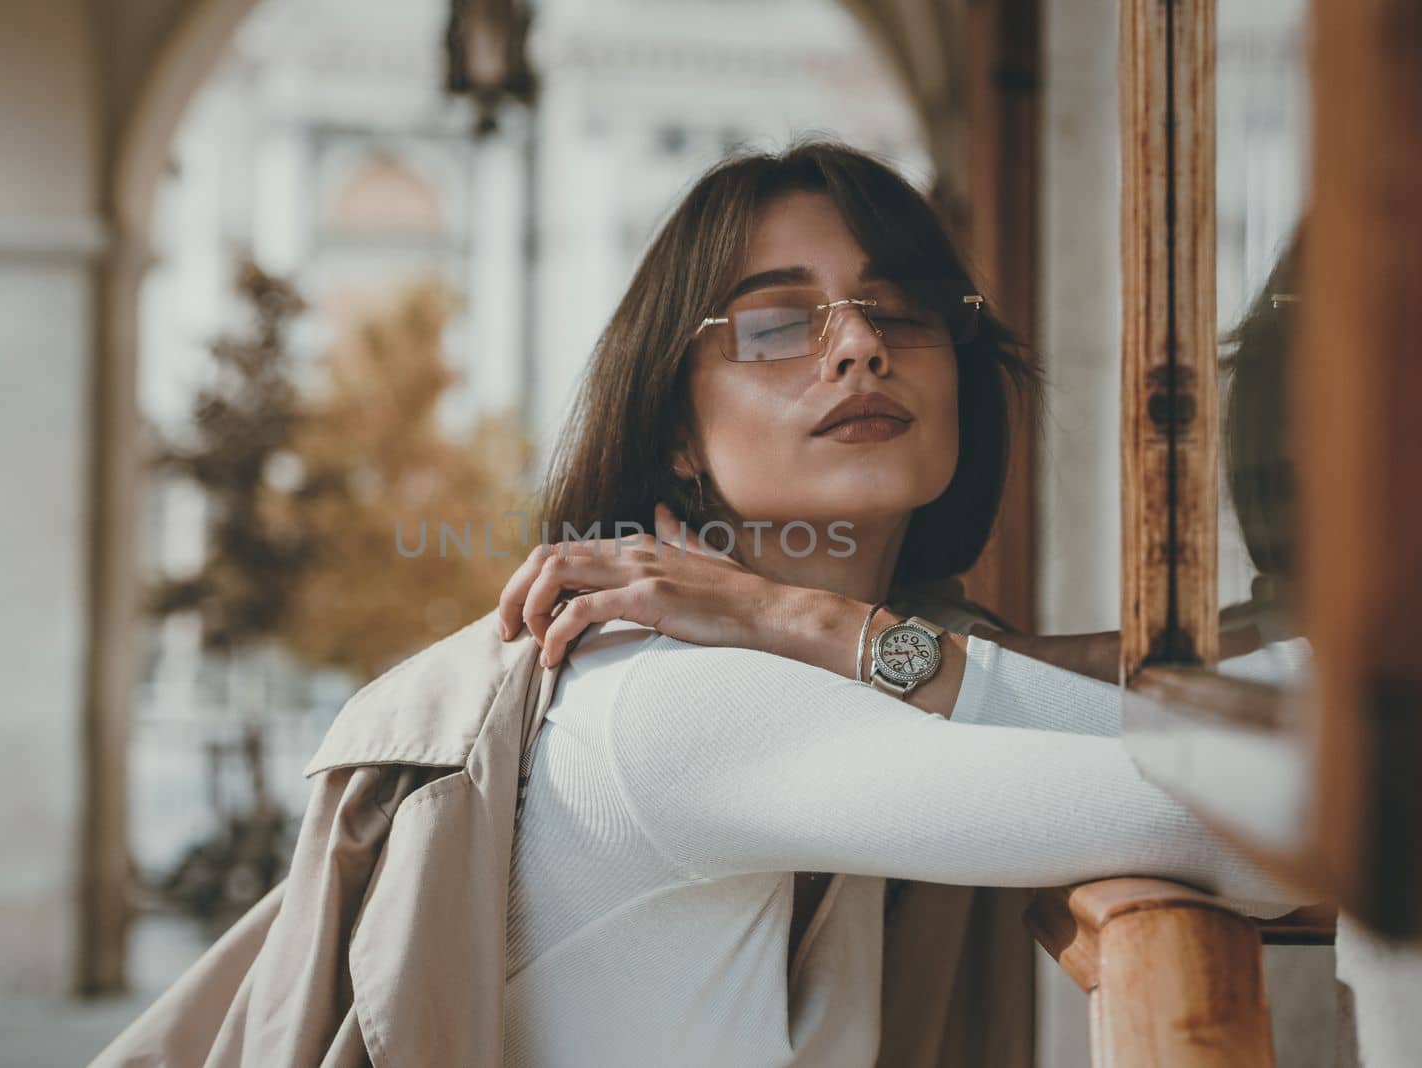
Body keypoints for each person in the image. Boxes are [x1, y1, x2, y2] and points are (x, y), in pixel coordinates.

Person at [489, 139, 1311, 1066]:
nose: (860, 348)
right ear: (678, 433)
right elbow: (1282, 816)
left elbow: (1147, 687)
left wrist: (810, 623)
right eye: (774, 324)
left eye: (902, 311)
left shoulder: (837, 651)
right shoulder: (673, 699)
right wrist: (806, 624)